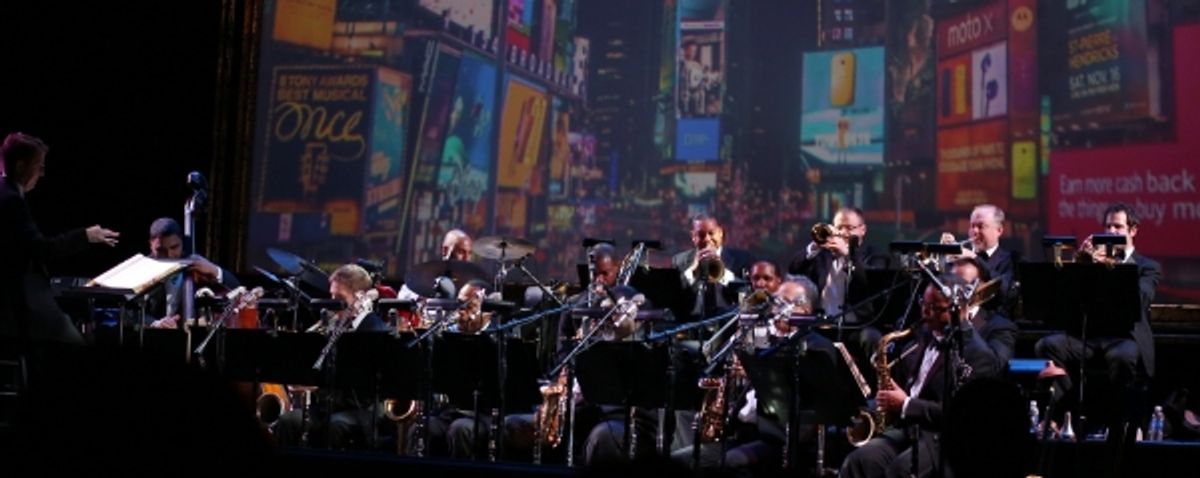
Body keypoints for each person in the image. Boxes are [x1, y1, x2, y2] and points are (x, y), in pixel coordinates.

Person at [839, 275, 1004, 478]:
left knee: (899, 470)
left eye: (935, 308)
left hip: (942, 438)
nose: (926, 313)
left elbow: (960, 415)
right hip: (910, 430)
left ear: (959, 309)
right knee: (858, 461)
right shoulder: (923, 334)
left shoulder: (977, 355)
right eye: (923, 304)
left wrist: (906, 404)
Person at [1035, 203, 1161, 433]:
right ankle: (1064, 415)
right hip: (1091, 336)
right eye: (1107, 226)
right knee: (1048, 345)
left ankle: (1118, 423)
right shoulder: (1094, 261)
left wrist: (1114, 267)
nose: (1111, 232)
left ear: (1133, 231)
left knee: (1122, 357)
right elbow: (1070, 297)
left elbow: (1141, 298)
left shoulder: (1147, 267)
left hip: (1126, 338)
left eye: (1118, 226)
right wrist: (1084, 265)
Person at [0, 132, 119, 345]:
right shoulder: (11, 201)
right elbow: (42, 249)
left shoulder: (6, 194)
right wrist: (86, 236)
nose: (41, 173)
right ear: (20, 167)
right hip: (19, 303)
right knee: (73, 341)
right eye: (39, 166)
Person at [274, 264, 390, 450]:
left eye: (340, 299)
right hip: (331, 404)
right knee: (289, 421)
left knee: (334, 426)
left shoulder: (375, 330)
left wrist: (318, 387)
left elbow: (362, 390)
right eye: (331, 297)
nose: (333, 305)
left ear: (360, 297)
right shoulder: (334, 326)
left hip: (362, 409)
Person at [788, 207, 882, 380]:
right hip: (823, 324)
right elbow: (793, 269)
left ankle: (877, 391)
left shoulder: (873, 256)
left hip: (857, 327)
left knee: (872, 337)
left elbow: (868, 282)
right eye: (839, 227)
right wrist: (814, 247)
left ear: (862, 230)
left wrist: (848, 256)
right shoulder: (823, 255)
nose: (843, 233)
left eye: (849, 228)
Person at [140, 217, 240, 328]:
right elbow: (127, 312)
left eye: (174, 247)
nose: (169, 255)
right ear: (150, 244)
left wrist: (214, 270)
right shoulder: (141, 269)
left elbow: (238, 289)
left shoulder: (194, 264)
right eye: (160, 250)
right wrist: (155, 324)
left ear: (182, 242)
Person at [672, 214, 755, 318]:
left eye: (711, 233)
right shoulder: (679, 260)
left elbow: (748, 296)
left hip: (729, 326)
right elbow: (672, 298)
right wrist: (692, 272)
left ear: (720, 233)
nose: (707, 239)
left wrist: (722, 274)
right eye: (701, 234)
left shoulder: (742, 259)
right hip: (691, 327)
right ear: (693, 236)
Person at [940, 204, 1017, 314]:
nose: (975, 231)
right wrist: (943, 259)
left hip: (990, 326)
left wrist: (974, 258)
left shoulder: (1009, 260)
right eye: (972, 226)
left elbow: (1005, 292)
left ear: (999, 230)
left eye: (981, 226)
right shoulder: (960, 259)